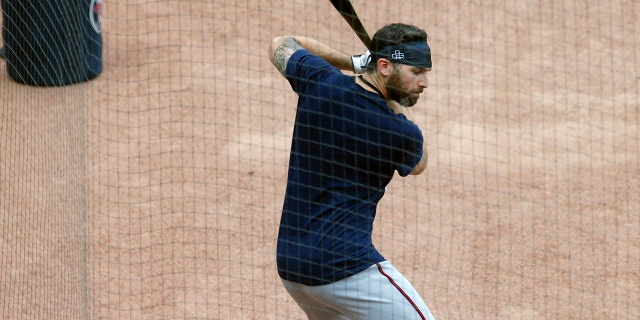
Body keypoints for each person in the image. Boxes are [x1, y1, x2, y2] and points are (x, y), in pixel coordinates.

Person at [268, 23, 435, 320]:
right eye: (416, 72)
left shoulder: (319, 80)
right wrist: (396, 102)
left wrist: (354, 63)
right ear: (384, 66)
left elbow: (282, 43)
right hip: (346, 269)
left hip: (292, 267)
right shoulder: (397, 130)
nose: (424, 83)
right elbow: (420, 163)